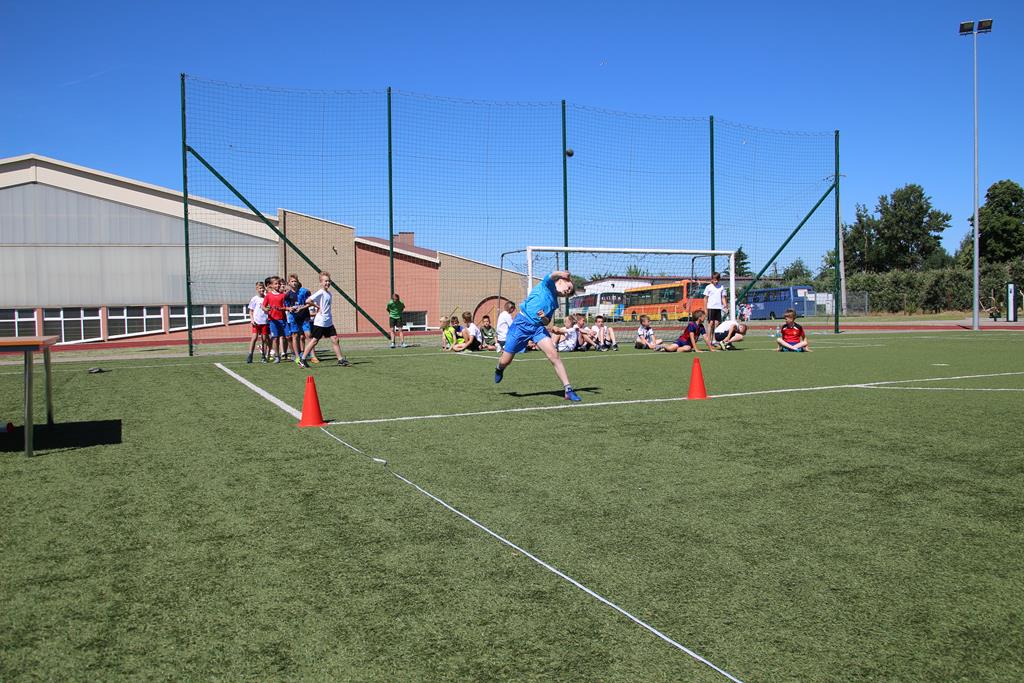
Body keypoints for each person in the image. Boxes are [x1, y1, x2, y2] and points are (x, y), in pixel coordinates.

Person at [494, 270, 581, 402]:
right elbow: (554, 274)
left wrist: (544, 317)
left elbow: (546, 322)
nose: (567, 292)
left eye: (568, 293)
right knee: (505, 361)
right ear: (561, 281)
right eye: (568, 288)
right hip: (521, 325)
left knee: (554, 355)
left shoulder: (554, 303)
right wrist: (563, 274)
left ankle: (568, 390)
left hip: (538, 329)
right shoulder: (547, 284)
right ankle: (499, 369)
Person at [296, 272, 351, 367]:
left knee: (335, 339)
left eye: (329, 281)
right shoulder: (320, 292)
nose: (327, 283)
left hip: (328, 321)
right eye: (325, 281)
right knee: (314, 341)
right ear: (321, 282)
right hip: (320, 322)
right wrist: (317, 306)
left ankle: (340, 360)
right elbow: (308, 301)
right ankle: (302, 359)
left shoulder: (329, 293)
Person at [288, 275, 317, 364]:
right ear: (289, 283)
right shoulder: (287, 295)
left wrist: (302, 307)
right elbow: (286, 306)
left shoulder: (304, 291)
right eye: (292, 281)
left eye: (295, 281)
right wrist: (289, 309)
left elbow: (310, 302)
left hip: (304, 316)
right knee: (295, 336)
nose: (294, 283)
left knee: (308, 335)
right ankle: (297, 357)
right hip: (294, 318)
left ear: (298, 282)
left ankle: (313, 356)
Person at [262, 276, 289, 363]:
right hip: (273, 321)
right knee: (275, 338)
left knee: (287, 337)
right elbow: (263, 306)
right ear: (271, 285)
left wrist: (283, 308)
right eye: (276, 284)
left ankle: (291, 354)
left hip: (283, 320)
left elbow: (286, 306)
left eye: (279, 284)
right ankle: (277, 357)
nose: (278, 285)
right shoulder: (268, 295)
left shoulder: (283, 295)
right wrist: (266, 309)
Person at [246, 281, 269, 363]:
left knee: (264, 339)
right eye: (260, 288)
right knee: (254, 338)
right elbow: (251, 311)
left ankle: (263, 356)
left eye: (262, 288)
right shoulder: (254, 299)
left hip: (265, 322)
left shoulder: (266, 298)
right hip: (256, 322)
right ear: (257, 289)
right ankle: (250, 355)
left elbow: (268, 309)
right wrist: (252, 319)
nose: (261, 290)